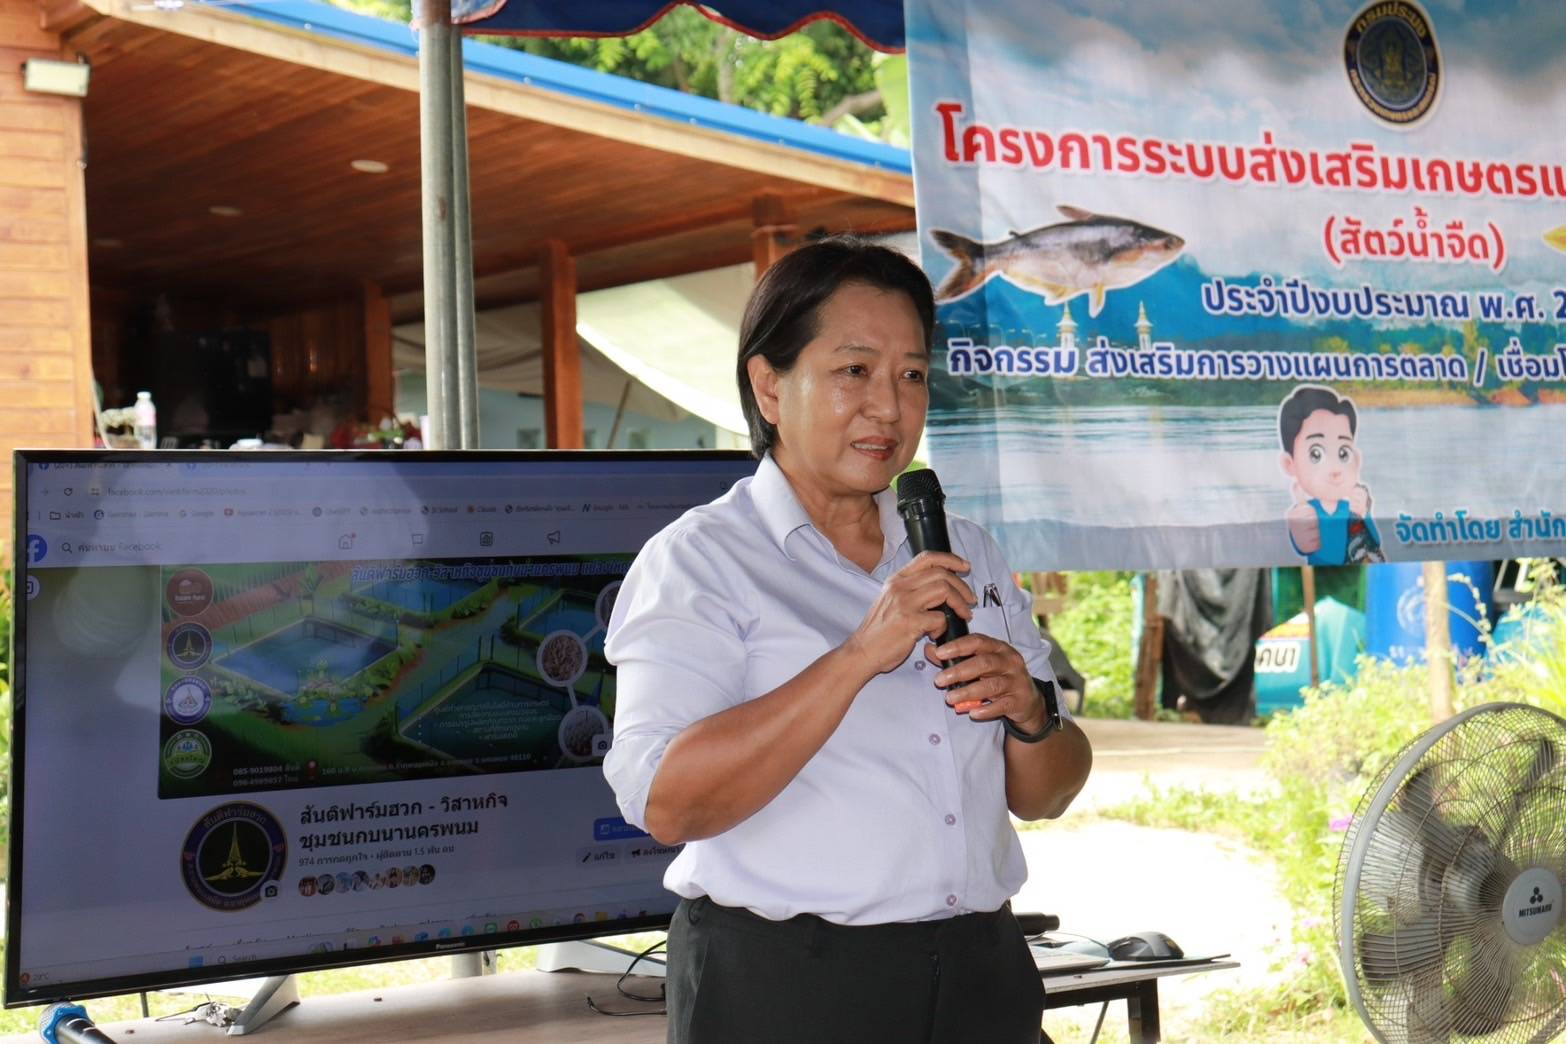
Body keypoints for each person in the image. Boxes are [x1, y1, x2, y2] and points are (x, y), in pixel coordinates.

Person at [603, 238, 1094, 1044]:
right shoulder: (701, 561)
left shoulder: (965, 550)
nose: (889, 408)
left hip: (980, 973)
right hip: (789, 985)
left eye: (912, 375)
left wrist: (1031, 717)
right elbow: (668, 802)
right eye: (854, 371)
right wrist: (859, 656)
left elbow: (1048, 793)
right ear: (769, 386)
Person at [1278, 384, 1384, 565]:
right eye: (1316, 454)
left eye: (1343, 454)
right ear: (1290, 464)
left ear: (1356, 460)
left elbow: (1375, 543)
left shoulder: (1350, 510)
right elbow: (1303, 546)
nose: (1334, 468)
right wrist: (1301, 533)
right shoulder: (1307, 512)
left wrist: (1364, 514)